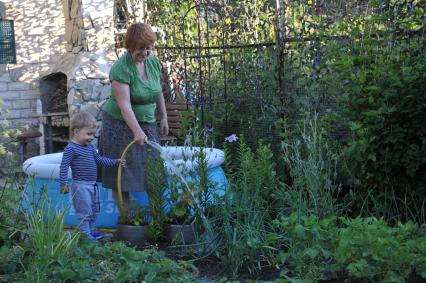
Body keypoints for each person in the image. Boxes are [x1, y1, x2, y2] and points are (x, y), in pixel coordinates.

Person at [100, 23, 169, 214]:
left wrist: (163, 117)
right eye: (141, 48)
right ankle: (128, 219)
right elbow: (124, 106)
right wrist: (136, 131)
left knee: (153, 168)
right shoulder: (121, 68)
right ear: (130, 46)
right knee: (122, 172)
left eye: (148, 47)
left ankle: (157, 216)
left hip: (147, 120)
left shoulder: (153, 62)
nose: (145, 52)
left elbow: (158, 91)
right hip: (119, 124)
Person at [60, 111, 126, 241]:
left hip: (92, 185)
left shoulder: (89, 147)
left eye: (93, 135)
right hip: (80, 186)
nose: (91, 138)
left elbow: (100, 160)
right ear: (76, 132)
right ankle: (85, 235)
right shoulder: (71, 149)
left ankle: (88, 231)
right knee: (84, 212)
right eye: (88, 134)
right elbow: (63, 166)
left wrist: (115, 162)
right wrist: (63, 183)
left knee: (95, 210)